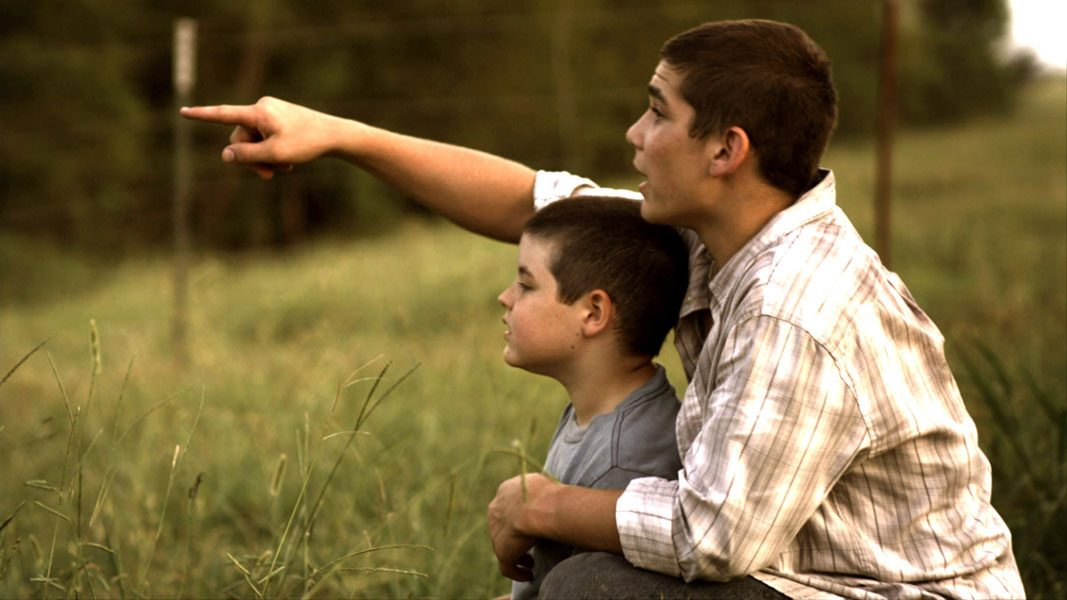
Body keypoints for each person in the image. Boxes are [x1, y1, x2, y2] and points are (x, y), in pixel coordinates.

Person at [182, 18, 1024, 599]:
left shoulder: (793, 307)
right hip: (806, 577)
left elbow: (713, 535)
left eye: (658, 112)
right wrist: (337, 135)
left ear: (726, 151)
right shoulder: (719, 231)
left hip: (885, 592)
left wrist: (534, 503)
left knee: (595, 585)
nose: (633, 132)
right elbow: (537, 205)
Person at [495, 196, 688, 599]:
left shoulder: (625, 459)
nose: (505, 297)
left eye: (526, 285)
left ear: (594, 313)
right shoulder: (600, 411)